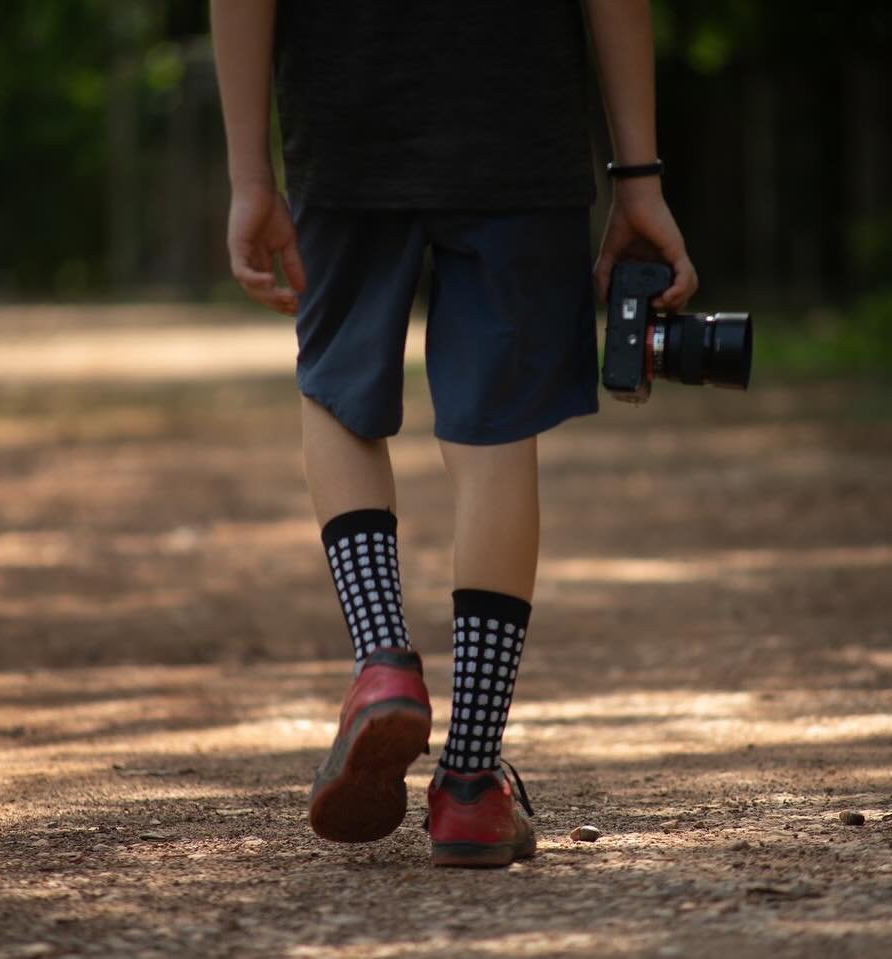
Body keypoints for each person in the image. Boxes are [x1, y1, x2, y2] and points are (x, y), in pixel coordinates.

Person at [210, 0, 698, 868]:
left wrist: (250, 178)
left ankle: (381, 662)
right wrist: (638, 178)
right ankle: (472, 780)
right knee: (498, 428)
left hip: (349, 121)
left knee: (337, 389)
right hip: (517, 123)